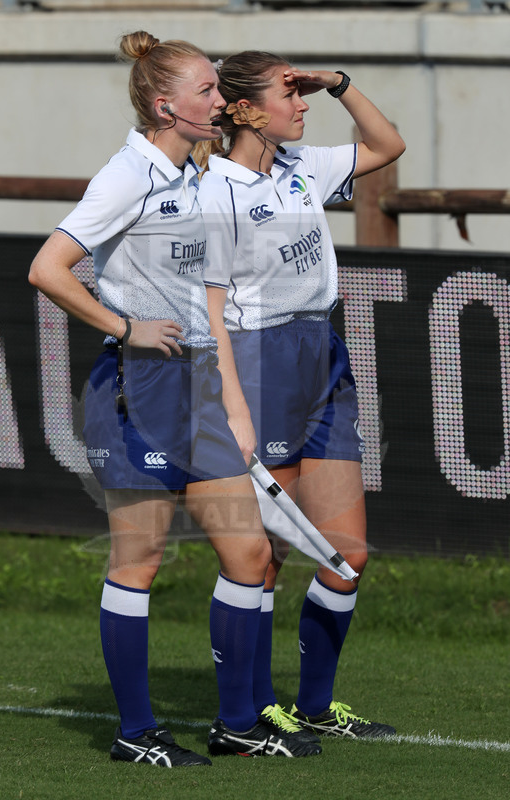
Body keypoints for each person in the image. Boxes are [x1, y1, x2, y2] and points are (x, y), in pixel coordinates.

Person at [28, 33, 321, 766]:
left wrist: (232, 400)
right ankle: (135, 731)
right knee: (141, 561)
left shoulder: (195, 174)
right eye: (205, 92)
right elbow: (48, 268)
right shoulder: (126, 175)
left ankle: (234, 725)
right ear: (166, 104)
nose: (218, 101)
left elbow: (206, 303)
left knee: (249, 552)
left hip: (197, 386)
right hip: (139, 385)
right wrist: (124, 324)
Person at [196, 51, 406, 739]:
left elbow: (387, 145)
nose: (302, 102)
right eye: (289, 93)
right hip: (262, 362)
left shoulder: (300, 167)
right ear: (246, 111)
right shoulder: (215, 191)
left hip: (321, 352)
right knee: (266, 556)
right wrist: (231, 398)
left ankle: (316, 709)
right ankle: (255, 713)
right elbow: (209, 307)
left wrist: (338, 82)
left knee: (346, 554)